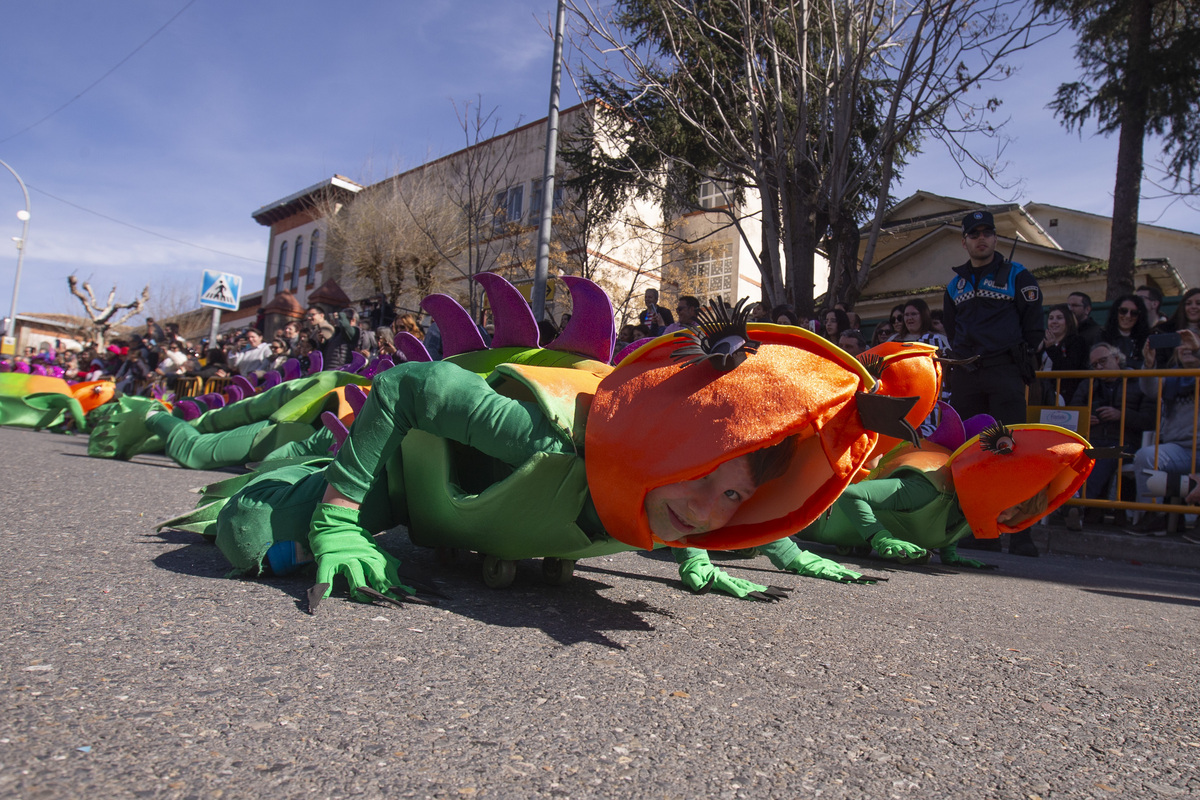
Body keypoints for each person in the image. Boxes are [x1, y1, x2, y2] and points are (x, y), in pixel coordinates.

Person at [942, 209, 1044, 556]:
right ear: (964, 241)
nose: (981, 238)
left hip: (1005, 372)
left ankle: (1021, 534)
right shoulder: (954, 286)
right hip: (968, 375)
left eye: (987, 232)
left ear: (996, 238)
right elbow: (954, 330)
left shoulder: (1019, 275)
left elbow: (1034, 328)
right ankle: (979, 528)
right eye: (974, 234)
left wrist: (1017, 359)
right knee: (971, 452)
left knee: (1012, 451)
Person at [1068, 342, 1153, 524]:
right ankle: (1074, 504)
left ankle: (1075, 504)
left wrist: (1122, 415)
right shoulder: (1089, 382)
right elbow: (1073, 411)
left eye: (1103, 361)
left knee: (1101, 458)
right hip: (1093, 438)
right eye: (1095, 364)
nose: (1099, 367)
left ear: (1116, 359)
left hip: (1124, 440)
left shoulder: (1139, 381)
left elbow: (1149, 419)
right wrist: (1085, 417)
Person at [1126, 329, 1200, 536]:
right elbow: (1151, 390)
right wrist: (1149, 363)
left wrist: (1198, 348)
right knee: (1146, 457)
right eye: (1182, 345)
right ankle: (1155, 515)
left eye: (1190, 344)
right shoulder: (1174, 377)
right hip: (1181, 449)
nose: (1186, 348)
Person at [1037, 303, 1088, 404]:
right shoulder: (1042, 341)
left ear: (1068, 322)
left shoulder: (1076, 341)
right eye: (1051, 318)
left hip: (1063, 395)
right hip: (1040, 391)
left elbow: (1069, 367)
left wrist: (1051, 348)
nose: (1054, 321)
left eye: (1059, 318)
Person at [1101, 294, 1149, 370]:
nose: (1128, 316)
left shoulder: (1146, 338)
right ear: (1116, 312)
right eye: (1123, 311)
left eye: (1134, 313)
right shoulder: (1102, 336)